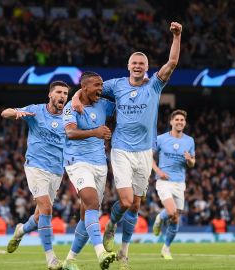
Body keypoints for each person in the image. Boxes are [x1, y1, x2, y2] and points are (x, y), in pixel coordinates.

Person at [71, 22, 182, 268]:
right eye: (134, 63)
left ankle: (124, 253)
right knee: (125, 201)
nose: (138, 67)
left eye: (142, 64)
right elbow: (89, 87)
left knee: (136, 205)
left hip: (144, 151)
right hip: (120, 149)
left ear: (147, 68)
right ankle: (110, 225)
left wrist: (177, 36)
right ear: (128, 66)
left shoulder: (155, 84)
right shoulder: (116, 85)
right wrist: (76, 97)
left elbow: (172, 63)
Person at [2, 81, 69, 269]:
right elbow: (4, 112)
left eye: (65, 93)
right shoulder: (36, 111)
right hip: (36, 167)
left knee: (40, 217)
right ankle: (51, 258)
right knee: (47, 209)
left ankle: (21, 230)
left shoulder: (69, 117)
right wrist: (15, 113)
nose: (62, 95)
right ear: (50, 94)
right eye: (59, 92)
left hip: (57, 171)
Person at [61, 71, 116, 270]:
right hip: (77, 162)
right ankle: (100, 252)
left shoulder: (102, 104)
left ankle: (69, 260)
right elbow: (70, 132)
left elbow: (124, 108)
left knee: (87, 216)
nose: (100, 90)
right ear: (84, 87)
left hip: (100, 164)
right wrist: (95, 132)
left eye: (102, 86)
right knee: (92, 203)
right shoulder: (71, 107)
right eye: (97, 86)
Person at [152, 110, 195, 259]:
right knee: (171, 212)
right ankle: (160, 218)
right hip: (164, 181)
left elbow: (192, 163)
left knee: (176, 218)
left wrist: (190, 160)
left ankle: (166, 248)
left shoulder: (189, 141)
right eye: (177, 119)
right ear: (171, 122)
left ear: (185, 123)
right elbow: (148, 157)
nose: (179, 122)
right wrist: (158, 170)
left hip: (179, 183)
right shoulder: (161, 139)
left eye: (182, 120)